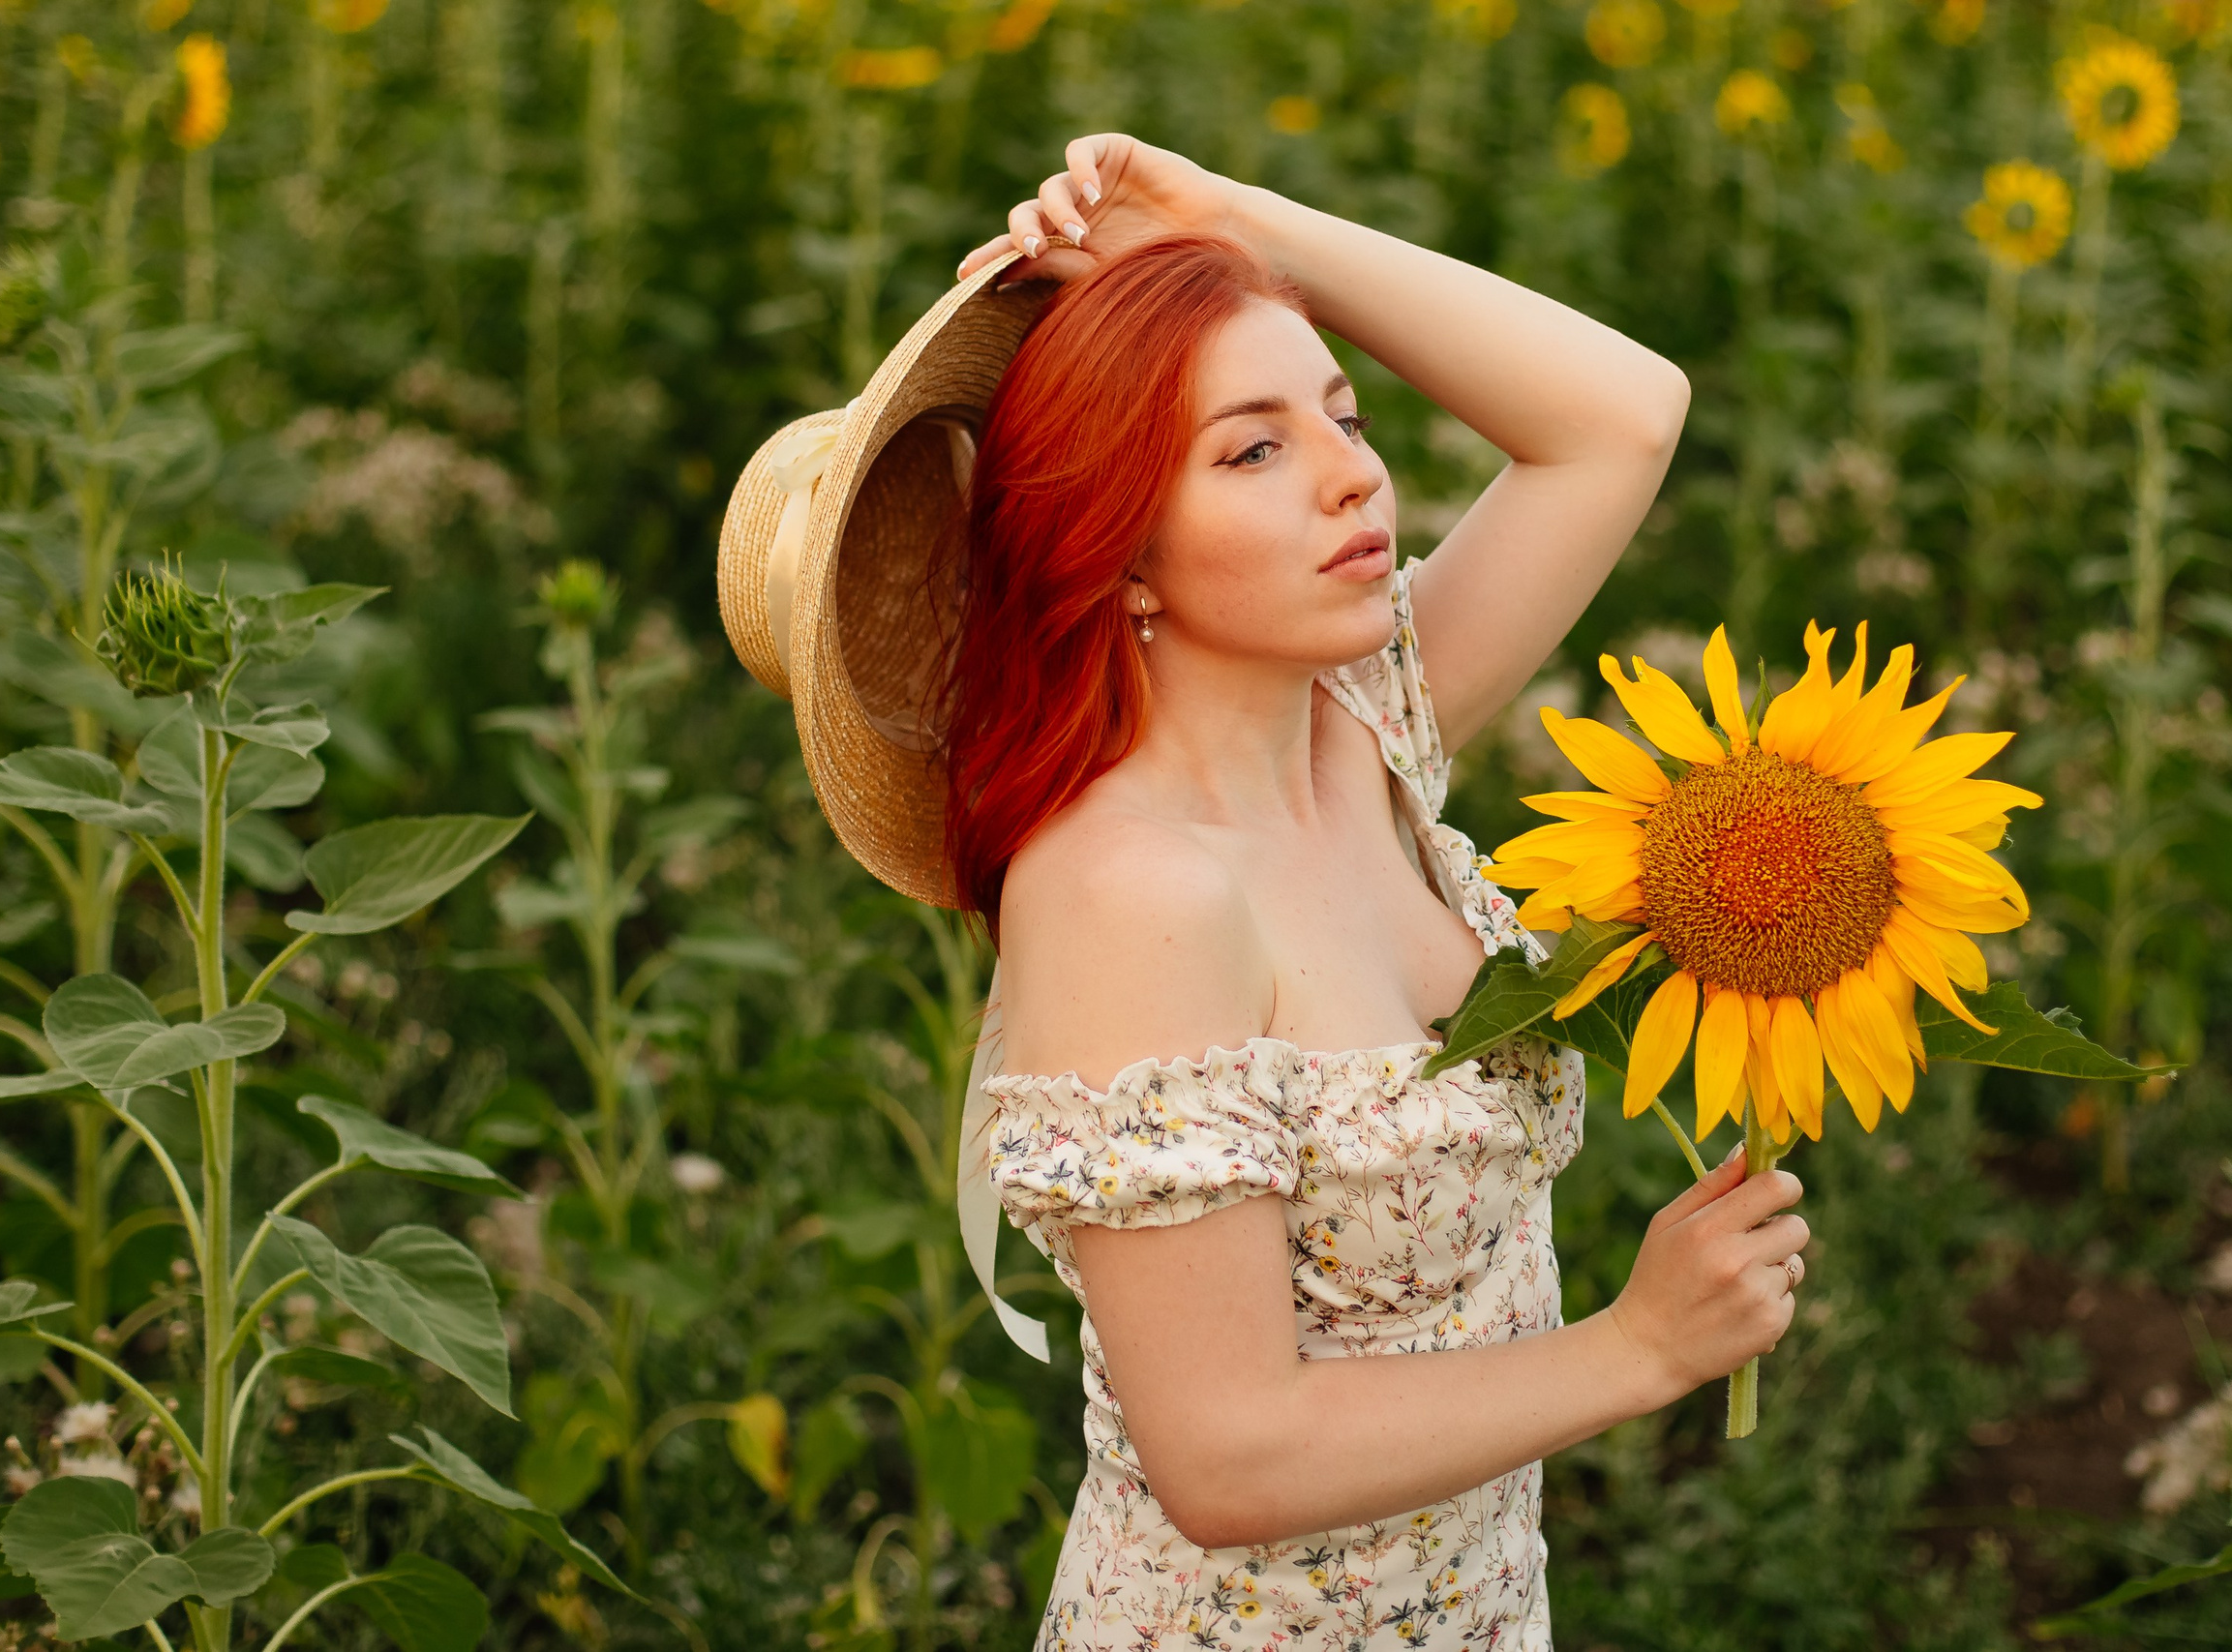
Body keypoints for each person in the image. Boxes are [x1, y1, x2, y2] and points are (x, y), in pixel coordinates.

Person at [714, 132, 1808, 1650]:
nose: (1356, 474)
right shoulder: (1126, 891)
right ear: (1122, 554)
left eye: (1342, 415)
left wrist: (1231, 222)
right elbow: (1223, 1454)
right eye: (1253, 450)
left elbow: (1624, 415)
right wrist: (1639, 1349)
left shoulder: (1368, 722)